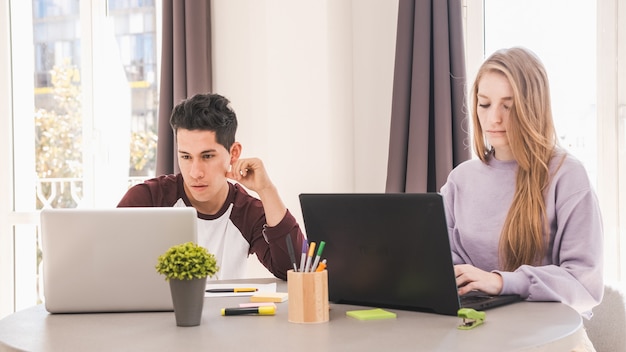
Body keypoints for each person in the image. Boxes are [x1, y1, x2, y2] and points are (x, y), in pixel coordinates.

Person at [440, 47, 603, 350]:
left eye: (509, 106)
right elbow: (446, 261)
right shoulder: (460, 180)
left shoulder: (567, 176)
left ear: (533, 107)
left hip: (550, 339)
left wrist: (501, 281)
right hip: (475, 334)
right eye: (484, 104)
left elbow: (584, 285)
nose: (494, 118)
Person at [118, 93, 304, 281]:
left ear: (234, 153)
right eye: (186, 157)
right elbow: (109, 263)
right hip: (162, 311)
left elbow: (295, 271)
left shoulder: (248, 213)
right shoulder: (147, 199)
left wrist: (267, 190)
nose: (195, 173)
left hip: (224, 310)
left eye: (207, 156)